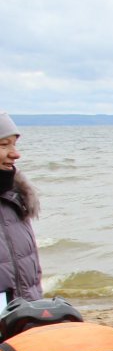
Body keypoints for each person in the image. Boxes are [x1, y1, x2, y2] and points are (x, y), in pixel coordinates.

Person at [0, 113, 44, 302]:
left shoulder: (16, 197)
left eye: (14, 144)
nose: (15, 153)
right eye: (3, 145)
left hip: (23, 319)